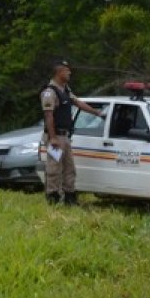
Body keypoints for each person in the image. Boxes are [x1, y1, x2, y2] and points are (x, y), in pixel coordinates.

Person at [41, 60, 105, 205]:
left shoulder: (66, 90)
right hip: (55, 136)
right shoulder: (49, 92)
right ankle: (53, 196)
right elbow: (48, 116)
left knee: (70, 168)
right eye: (66, 70)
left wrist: (97, 113)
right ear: (59, 72)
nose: (69, 73)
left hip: (65, 136)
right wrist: (52, 138)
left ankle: (70, 196)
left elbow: (78, 103)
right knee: (54, 168)